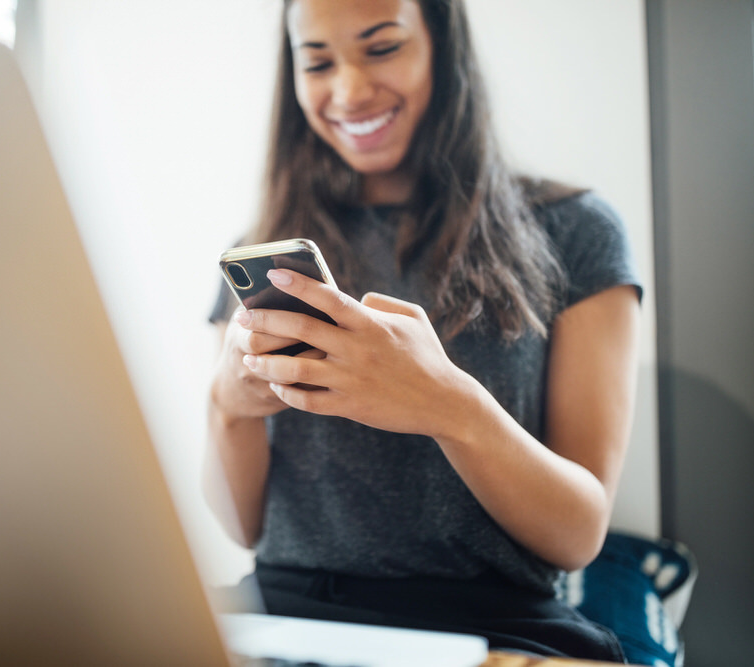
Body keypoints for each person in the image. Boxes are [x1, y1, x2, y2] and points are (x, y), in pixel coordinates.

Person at [206, 0, 641, 661]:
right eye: (317, 61)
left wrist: (447, 404)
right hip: (288, 613)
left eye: (381, 48)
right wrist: (228, 405)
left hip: (493, 626)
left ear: (442, 46)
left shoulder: (577, 231)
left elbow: (578, 531)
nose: (349, 90)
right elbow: (243, 525)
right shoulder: (263, 253)